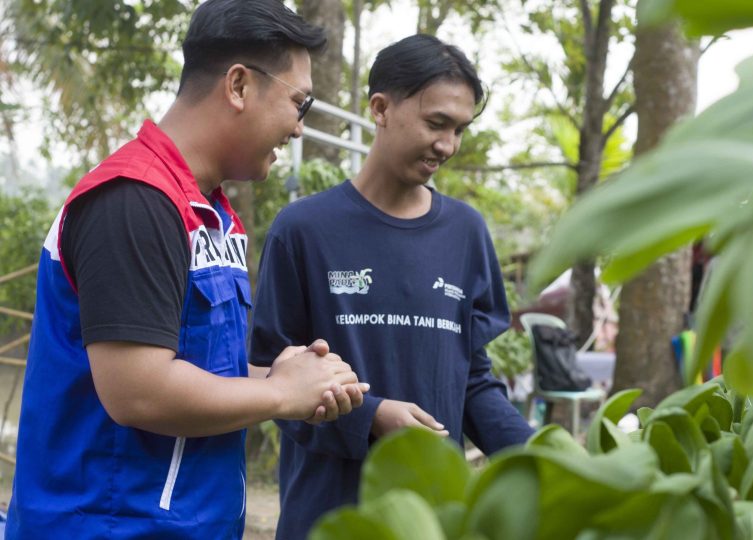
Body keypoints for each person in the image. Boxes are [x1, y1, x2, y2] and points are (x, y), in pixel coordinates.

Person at [6, 1, 368, 537]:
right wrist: (279, 396)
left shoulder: (216, 217)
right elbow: (139, 389)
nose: (298, 129)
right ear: (240, 86)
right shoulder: (134, 202)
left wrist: (289, 379)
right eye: (300, 103)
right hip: (108, 526)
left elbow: (198, 372)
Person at [251, 34, 536, 538]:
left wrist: (544, 461)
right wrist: (373, 414)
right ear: (380, 109)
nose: (447, 145)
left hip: (431, 520)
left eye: (459, 129)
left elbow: (470, 381)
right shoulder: (303, 230)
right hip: (329, 517)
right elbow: (266, 379)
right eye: (436, 123)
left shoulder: (466, 233)